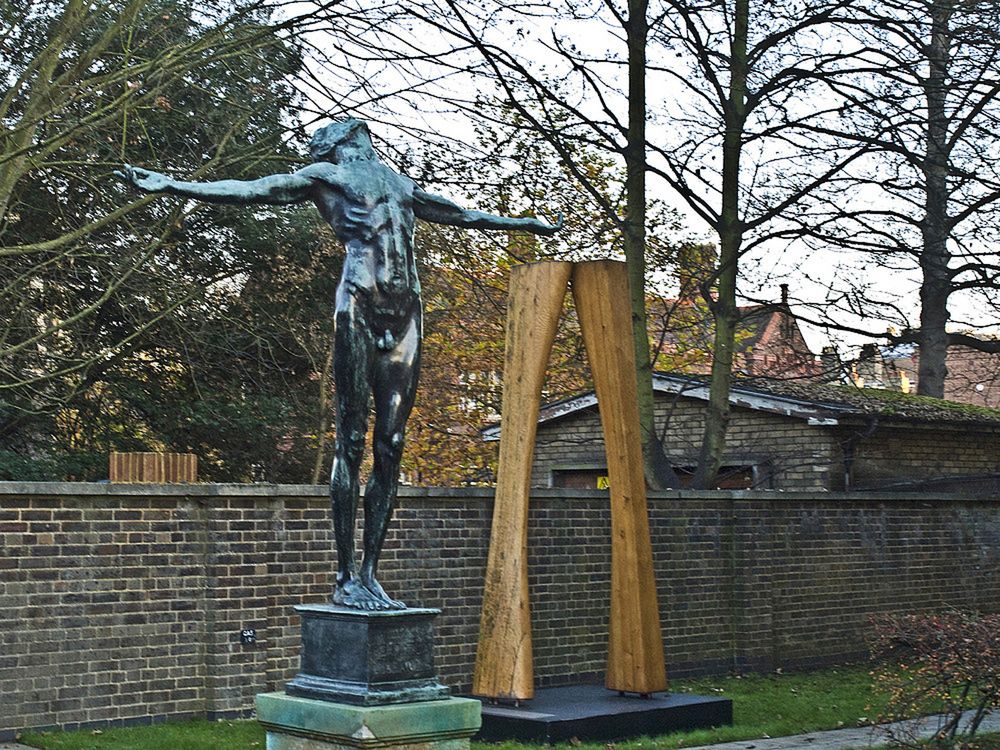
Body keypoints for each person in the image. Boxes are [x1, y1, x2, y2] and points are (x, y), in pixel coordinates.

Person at [120, 118, 561, 610]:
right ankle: (345, 573)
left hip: (406, 310)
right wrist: (175, 185)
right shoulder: (328, 178)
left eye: (324, 142)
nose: (322, 147)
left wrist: (523, 225)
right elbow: (254, 190)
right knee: (350, 438)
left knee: (391, 444)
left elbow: (466, 216)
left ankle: (371, 574)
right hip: (359, 301)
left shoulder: (400, 185)